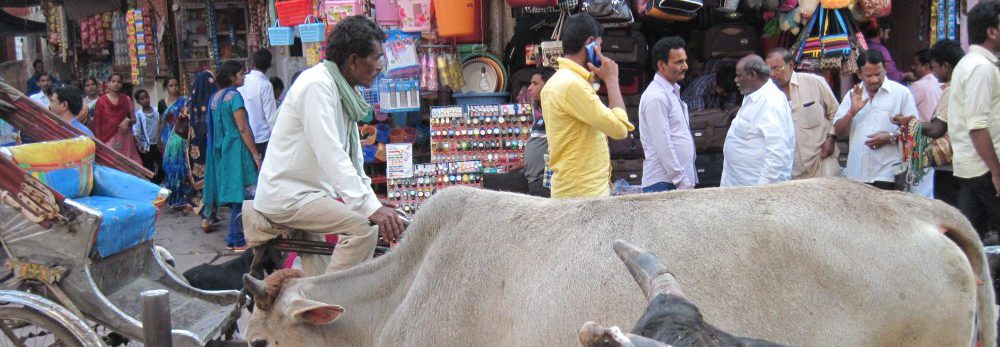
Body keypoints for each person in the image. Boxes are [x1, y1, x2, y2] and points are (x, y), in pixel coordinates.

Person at [245, 15, 405, 275]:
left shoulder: (342, 90)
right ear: (354, 60)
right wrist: (370, 208)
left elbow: (353, 162)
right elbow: (332, 155)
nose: (379, 67)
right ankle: (331, 296)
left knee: (317, 272)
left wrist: (371, 200)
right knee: (364, 229)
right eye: (376, 59)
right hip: (290, 196)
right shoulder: (317, 86)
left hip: (311, 193)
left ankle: (312, 304)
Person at [540, 13, 635, 198]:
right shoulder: (572, 84)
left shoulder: (557, 82)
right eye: (599, 45)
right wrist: (612, 80)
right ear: (590, 43)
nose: (601, 50)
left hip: (573, 192)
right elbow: (619, 130)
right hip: (584, 196)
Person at [947, 1, 1000, 240]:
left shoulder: (969, 64)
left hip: (972, 166)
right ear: (991, 31)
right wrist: (997, 172)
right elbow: (977, 126)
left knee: (970, 242)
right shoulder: (981, 67)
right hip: (985, 168)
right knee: (970, 239)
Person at [892, 39, 965, 206]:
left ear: (945, 66)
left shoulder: (952, 90)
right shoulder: (961, 87)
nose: (933, 73)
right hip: (959, 164)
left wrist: (909, 122)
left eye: (935, 68)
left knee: (948, 214)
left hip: (950, 167)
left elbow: (936, 129)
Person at [833, 50, 919, 190]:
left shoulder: (901, 94)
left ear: (885, 69)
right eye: (869, 75)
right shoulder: (852, 95)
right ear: (860, 74)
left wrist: (890, 137)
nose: (874, 79)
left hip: (888, 174)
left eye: (878, 74)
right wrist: (851, 113)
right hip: (857, 174)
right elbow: (838, 132)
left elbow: (915, 130)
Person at [202, 61, 261, 251]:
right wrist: (256, 155)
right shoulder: (235, 97)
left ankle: (232, 236)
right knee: (244, 194)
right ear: (231, 77)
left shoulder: (215, 97)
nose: (243, 77)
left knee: (236, 193)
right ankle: (238, 238)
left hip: (222, 150)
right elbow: (242, 128)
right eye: (241, 74)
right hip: (238, 150)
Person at [720, 55, 795, 187]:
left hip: (757, 192)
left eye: (739, 75)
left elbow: (777, 154)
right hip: (741, 187)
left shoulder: (771, 101)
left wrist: (761, 193)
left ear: (753, 75)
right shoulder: (753, 96)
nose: (735, 80)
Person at [765, 48, 841, 179]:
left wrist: (831, 138)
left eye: (777, 68)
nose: (772, 74)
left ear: (791, 65)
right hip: (790, 171)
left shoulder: (814, 82)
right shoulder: (767, 96)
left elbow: (836, 113)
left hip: (821, 163)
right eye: (769, 70)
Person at [639, 36, 697, 192]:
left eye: (684, 61)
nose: (685, 66)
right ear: (661, 65)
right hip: (665, 184)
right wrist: (682, 182)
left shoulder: (671, 92)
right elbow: (662, 144)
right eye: (678, 62)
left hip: (674, 183)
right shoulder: (656, 97)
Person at [903, 49, 944, 198]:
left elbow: (903, 111)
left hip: (921, 144)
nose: (913, 68)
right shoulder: (940, 85)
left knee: (919, 192)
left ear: (926, 66)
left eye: (916, 64)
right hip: (938, 145)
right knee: (930, 190)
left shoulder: (918, 87)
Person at [188, 71, 219, 232]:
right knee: (211, 184)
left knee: (204, 186)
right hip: (211, 153)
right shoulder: (213, 105)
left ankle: (206, 215)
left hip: (196, 156)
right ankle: (208, 217)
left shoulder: (191, 108)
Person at [238, 48, 278, 158]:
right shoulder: (265, 85)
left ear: (253, 63)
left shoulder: (243, 81)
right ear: (269, 66)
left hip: (245, 136)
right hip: (262, 138)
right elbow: (271, 115)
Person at [92, 73, 141, 163]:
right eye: (113, 81)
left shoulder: (127, 99)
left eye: (119, 82)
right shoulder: (101, 101)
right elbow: (97, 124)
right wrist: (99, 143)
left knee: (129, 165)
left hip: (125, 139)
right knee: (112, 165)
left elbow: (134, 119)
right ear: (108, 83)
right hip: (107, 140)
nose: (116, 84)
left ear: (122, 84)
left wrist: (127, 120)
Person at [133, 89, 164, 184]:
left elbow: (162, 123)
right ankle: (152, 185)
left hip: (158, 143)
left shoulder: (156, 111)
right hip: (147, 145)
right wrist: (139, 143)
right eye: (142, 99)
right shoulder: (138, 115)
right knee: (149, 167)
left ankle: (157, 182)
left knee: (162, 165)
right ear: (138, 102)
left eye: (147, 97)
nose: (145, 100)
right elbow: (136, 131)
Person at [157, 77, 185, 145]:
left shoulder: (184, 101)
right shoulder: (161, 103)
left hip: (181, 138)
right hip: (167, 139)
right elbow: (161, 122)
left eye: (176, 85)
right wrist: (158, 140)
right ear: (166, 88)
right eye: (171, 86)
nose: (174, 87)